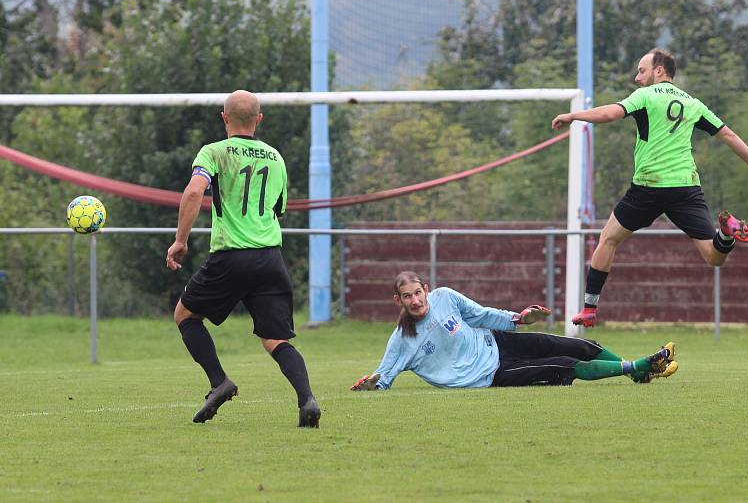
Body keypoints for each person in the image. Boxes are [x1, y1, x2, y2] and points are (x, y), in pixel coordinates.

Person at [552, 48, 748, 327]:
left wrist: (575, 116)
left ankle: (589, 309)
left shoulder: (645, 96)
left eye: (642, 71)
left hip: (649, 186)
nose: (637, 78)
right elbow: (727, 134)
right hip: (685, 187)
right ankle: (726, 233)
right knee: (714, 256)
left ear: (659, 71)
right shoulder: (692, 103)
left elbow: (610, 113)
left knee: (608, 239)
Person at [166, 89, 320, 428]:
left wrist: (180, 241)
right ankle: (306, 398)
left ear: (224, 117)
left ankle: (219, 381)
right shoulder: (276, 157)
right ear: (259, 119)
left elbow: (194, 191)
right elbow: (278, 210)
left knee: (185, 315)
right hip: (270, 257)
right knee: (275, 339)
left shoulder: (214, 152)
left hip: (232, 254)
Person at [350, 271, 677, 392]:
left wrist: (520, 319)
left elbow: (481, 314)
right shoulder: (402, 340)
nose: (416, 300)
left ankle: (637, 374)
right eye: (407, 297)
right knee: (563, 364)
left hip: (497, 341)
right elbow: (384, 376)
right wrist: (368, 384)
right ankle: (638, 367)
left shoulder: (445, 297)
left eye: (418, 293)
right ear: (399, 301)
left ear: (426, 289)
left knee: (579, 344)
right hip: (489, 374)